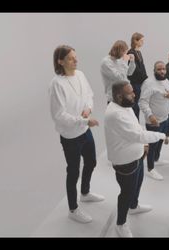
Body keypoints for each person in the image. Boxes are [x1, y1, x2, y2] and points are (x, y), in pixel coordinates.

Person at [49, 45, 104, 224]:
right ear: (60, 61)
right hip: (70, 136)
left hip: (84, 131)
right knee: (73, 172)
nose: (76, 60)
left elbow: (89, 94)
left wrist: (88, 108)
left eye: (75, 57)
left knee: (91, 161)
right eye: (71, 58)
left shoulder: (80, 74)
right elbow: (59, 115)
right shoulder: (57, 84)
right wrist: (84, 121)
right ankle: (73, 209)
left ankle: (85, 193)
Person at [104, 81, 167, 237]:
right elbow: (137, 135)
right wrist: (161, 135)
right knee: (126, 192)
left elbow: (137, 127)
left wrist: (144, 144)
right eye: (130, 92)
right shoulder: (115, 113)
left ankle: (134, 206)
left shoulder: (125, 106)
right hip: (125, 162)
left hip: (137, 156)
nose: (134, 94)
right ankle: (120, 224)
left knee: (137, 183)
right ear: (119, 96)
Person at [139, 61, 169, 181]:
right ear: (154, 70)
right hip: (154, 121)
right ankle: (150, 169)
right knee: (152, 145)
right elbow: (142, 102)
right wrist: (150, 116)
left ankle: (156, 159)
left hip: (165, 118)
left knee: (161, 140)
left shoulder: (166, 81)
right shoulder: (149, 83)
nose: (162, 71)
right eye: (159, 69)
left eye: (163, 69)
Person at [100, 40, 135, 104]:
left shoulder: (119, 60)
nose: (126, 54)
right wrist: (125, 61)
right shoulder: (106, 62)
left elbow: (129, 73)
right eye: (125, 52)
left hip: (125, 96)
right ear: (120, 51)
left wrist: (132, 62)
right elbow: (119, 78)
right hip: (114, 98)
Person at [127, 32, 148, 120]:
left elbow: (142, 67)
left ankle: (137, 122)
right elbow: (134, 70)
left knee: (138, 104)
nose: (143, 42)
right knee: (134, 104)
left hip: (140, 82)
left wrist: (146, 78)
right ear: (136, 41)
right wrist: (144, 78)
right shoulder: (131, 52)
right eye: (141, 40)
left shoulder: (138, 52)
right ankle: (135, 122)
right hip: (134, 83)